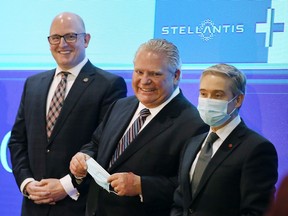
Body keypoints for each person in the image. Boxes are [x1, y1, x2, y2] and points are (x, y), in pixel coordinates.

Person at [69, 39, 209, 216]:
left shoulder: (195, 124)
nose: (144, 81)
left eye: (155, 74)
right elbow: (95, 145)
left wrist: (142, 186)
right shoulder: (120, 106)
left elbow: (191, 188)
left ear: (176, 75)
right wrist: (82, 158)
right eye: (139, 72)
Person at [8, 12, 127, 216]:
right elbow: (18, 140)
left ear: (86, 39)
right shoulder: (33, 84)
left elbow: (106, 146)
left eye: (70, 36)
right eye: (56, 38)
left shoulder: (109, 85)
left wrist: (66, 185)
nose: (62, 44)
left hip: (78, 205)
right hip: (33, 205)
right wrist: (27, 183)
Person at [171, 63, 278, 216]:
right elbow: (180, 202)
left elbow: (256, 212)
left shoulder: (256, 148)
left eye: (218, 95)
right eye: (203, 93)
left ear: (238, 100)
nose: (208, 101)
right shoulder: (192, 143)